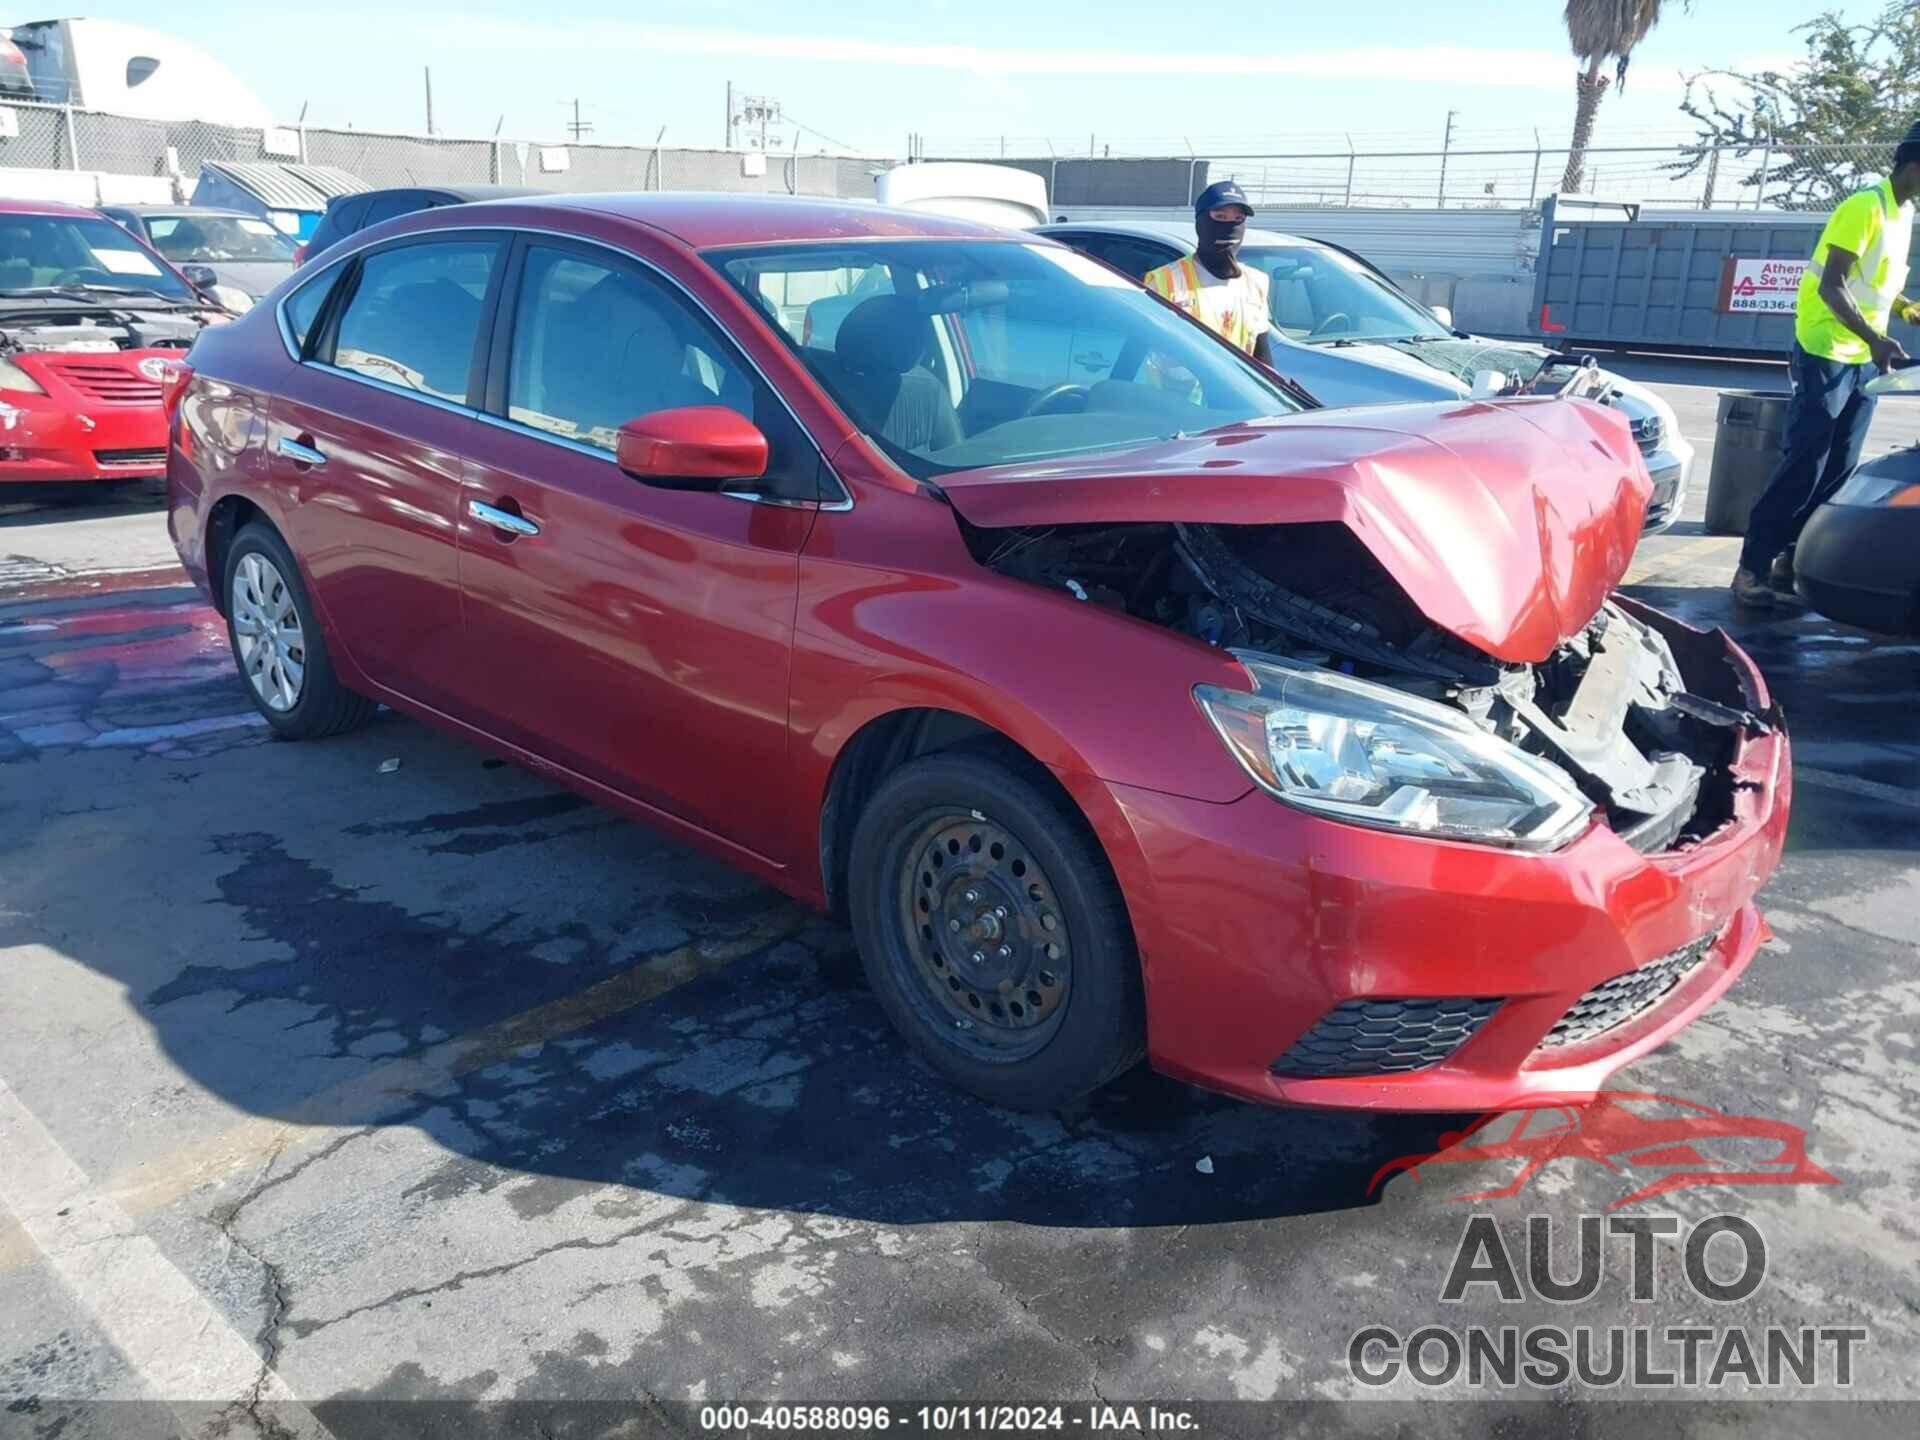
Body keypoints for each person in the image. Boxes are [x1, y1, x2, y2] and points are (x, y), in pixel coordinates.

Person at [1731, 124, 1920, 608]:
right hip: (1825, 349)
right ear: (1912, 164)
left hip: (1861, 357)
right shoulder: (1864, 207)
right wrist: (1876, 338)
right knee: (1805, 465)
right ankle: (1751, 566)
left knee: (1840, 465)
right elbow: (1831, 285)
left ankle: (1789, 560)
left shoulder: (1905, 213)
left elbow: (1871, 282)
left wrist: (1903, 309)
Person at [1142, 180, 1277, 366]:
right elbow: (1143, 346)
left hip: (1234, 392)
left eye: (1238, 219)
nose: (1229, 226)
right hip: (1174, 392)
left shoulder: (1256, 282)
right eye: (1220, 217)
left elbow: (1262, 356)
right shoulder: (1165, 281)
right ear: (1201, 221)